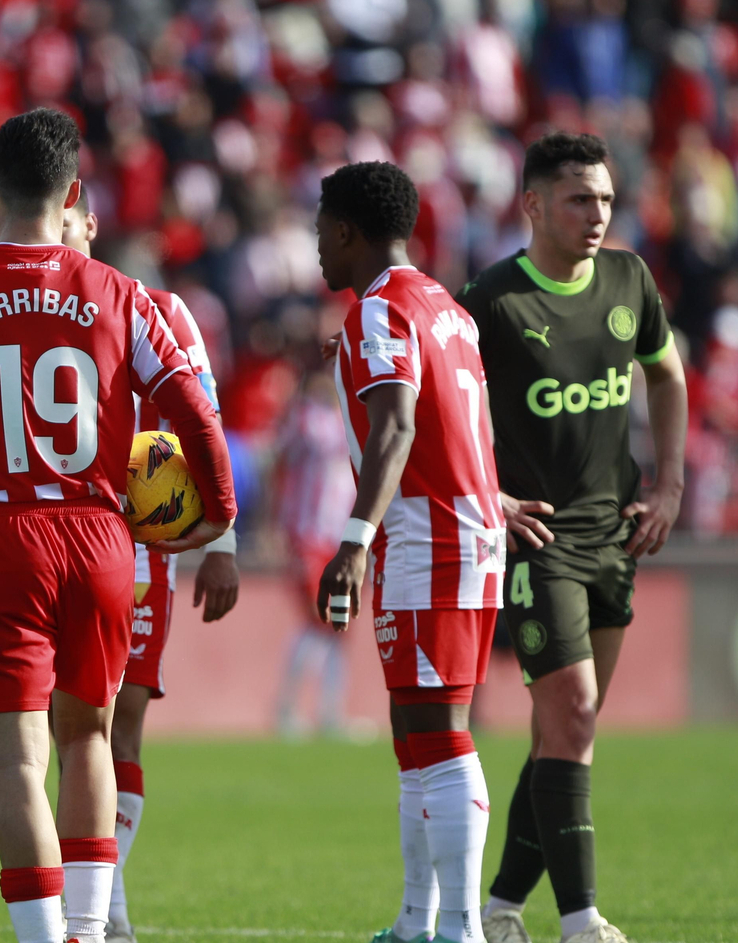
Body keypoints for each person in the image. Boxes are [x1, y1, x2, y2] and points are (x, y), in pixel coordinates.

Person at [0, 108, 236, 943]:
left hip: (1, 535)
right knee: (90, 735)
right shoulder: (120, 291)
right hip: (100, 534)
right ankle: (90, 927)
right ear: (75, 190)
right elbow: (192, 408)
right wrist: (218, 515)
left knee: (18, 761)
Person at [458, 132, 686, 943]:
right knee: (576, 714)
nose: (597, 216)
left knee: (566, 731)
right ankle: (582, 919)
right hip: (535, 541)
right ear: (532, 205)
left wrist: (669, 485)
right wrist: (490, 495)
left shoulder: (629, 278)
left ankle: (500, 909)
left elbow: (666, 373)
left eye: (606, 201)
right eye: (579, 199)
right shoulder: (487, 302)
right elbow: (441, 414)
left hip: (615, 535)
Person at [313, 161, 505, 943]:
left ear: (348, 231)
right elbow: (466, 430)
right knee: (413, 730)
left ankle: (460, 929)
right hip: (452, 528)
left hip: (430, 537)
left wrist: (353, 540)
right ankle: (416, 921)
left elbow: (397, 427)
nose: (316, 245)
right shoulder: (448, 309)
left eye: (322, 228)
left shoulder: (380, 312)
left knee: (441, 729)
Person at [271, 371, 358, 737]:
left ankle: (329, 714)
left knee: (339, 626)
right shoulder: (305, 418)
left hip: (342, 537)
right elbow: (276, 462)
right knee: (315, 620)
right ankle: (287, 709)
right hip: (308, 534)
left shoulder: (352, 420)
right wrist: (273, 522)